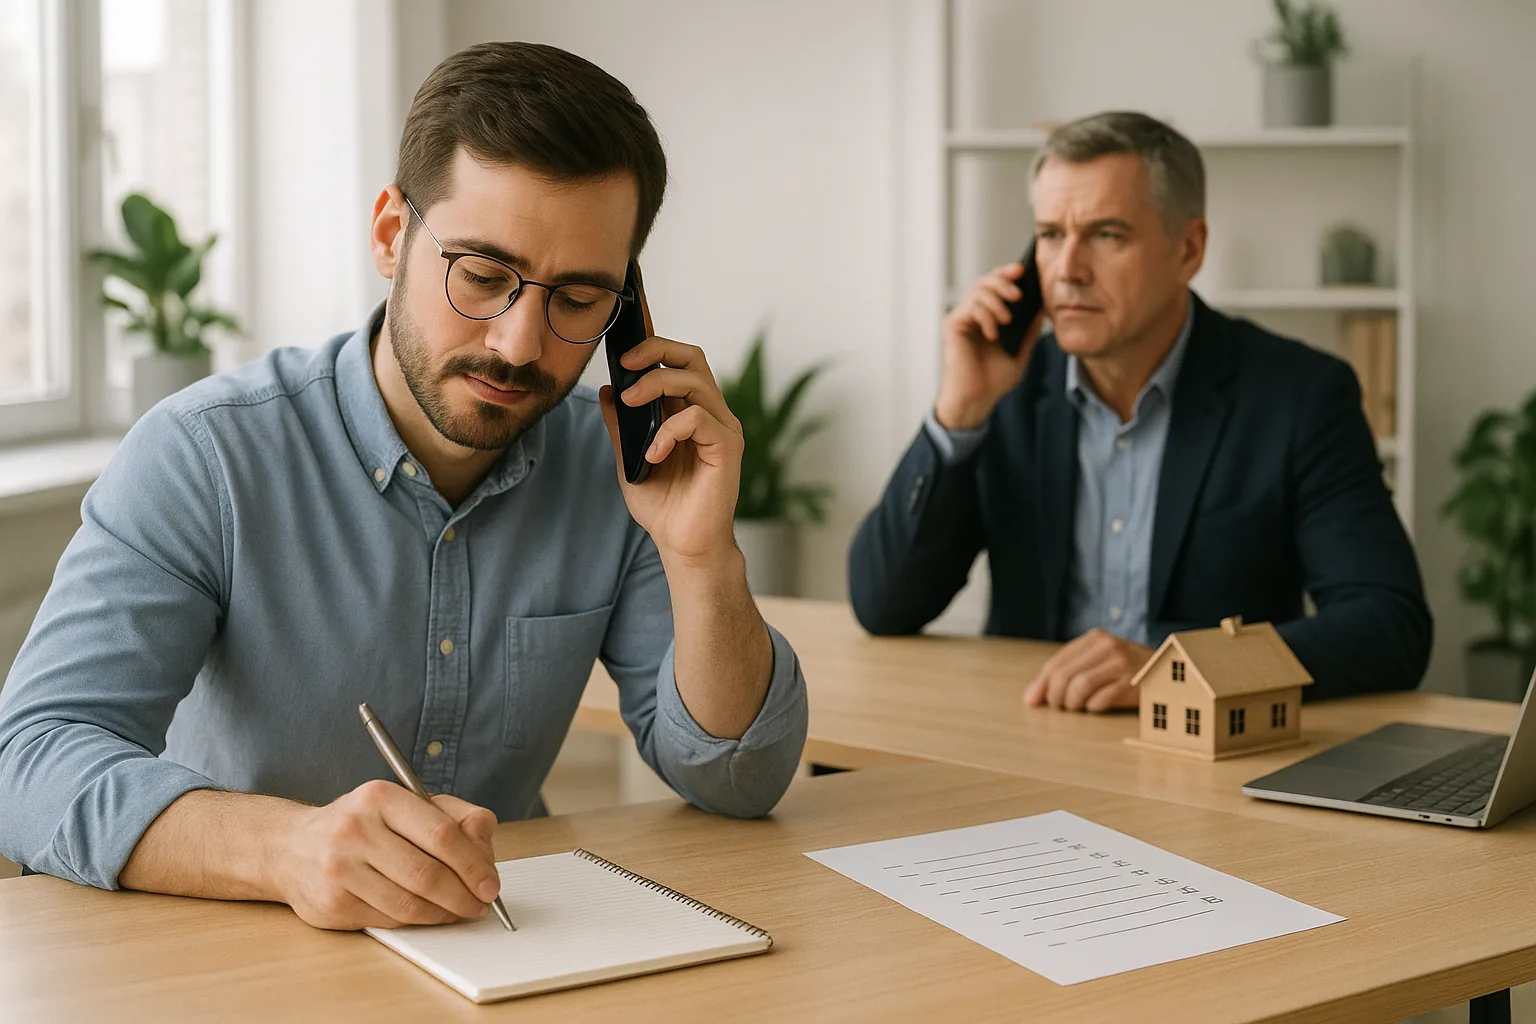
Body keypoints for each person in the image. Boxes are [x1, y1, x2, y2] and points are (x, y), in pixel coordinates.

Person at [0, 42, 808, 930]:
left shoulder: (615, 470)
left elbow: (739, 777)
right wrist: (287, 848)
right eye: (484, 276)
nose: (519, 344)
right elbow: (31, 758)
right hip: (242, 950)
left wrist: (702, 559)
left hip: (511, 950)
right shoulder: (205, 456)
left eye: (578, 300)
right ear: (391, 235)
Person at [849, 111, 1430, 712]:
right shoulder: (1006, 389)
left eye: (1106, 235)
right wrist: (959, 414)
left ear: (1189, 249)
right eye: (1050, 235)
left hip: (1202, 759)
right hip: (1029, 736)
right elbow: (882, 605)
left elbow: (1389, 625)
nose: (1067, 270)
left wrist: (1178, 668)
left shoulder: (1301, 395)